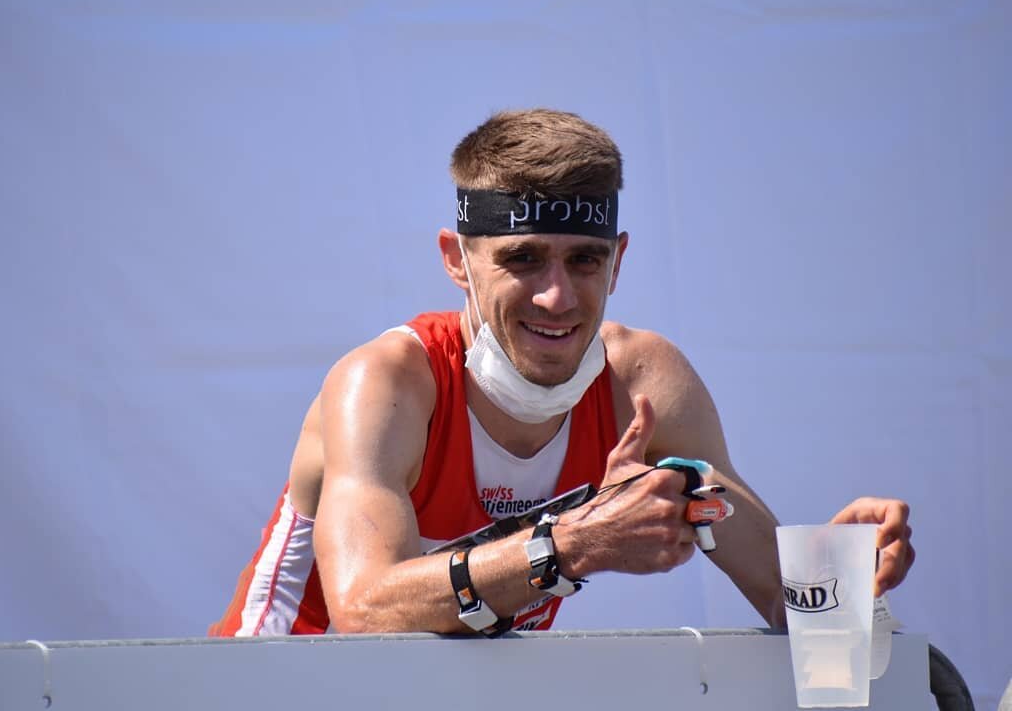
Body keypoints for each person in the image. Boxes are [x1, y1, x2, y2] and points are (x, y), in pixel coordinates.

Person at [210, 109, 914, 637]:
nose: (557, 296)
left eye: (585, 259)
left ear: (619, 258)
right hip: (273, 685)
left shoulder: (643, 382)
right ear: (457, 259)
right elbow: (364, 609)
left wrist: (838, 578)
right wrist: (574, 542)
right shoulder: (390, 380)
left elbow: (793, 607)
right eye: (522, 258)